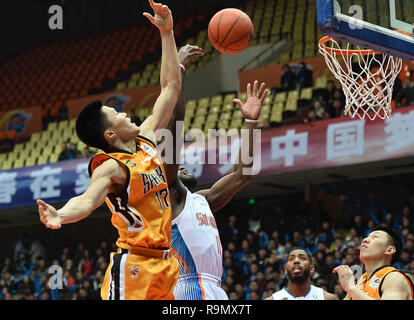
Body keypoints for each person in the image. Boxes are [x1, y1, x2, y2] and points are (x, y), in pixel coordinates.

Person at [36, 0, 182, 300]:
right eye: (116, 112)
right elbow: (87, 201)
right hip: (135, 266)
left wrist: (167, 34)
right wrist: (60, 215)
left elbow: (169, 88)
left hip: (166, 264)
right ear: (110, 133)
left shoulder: (146, 138)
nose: (124, 112)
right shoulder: (110, 167)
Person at [163, 61, 268, 300]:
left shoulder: (202, 199)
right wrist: (177, 72)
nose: (181, 167)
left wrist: (251, 123)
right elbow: (172, 135)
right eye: (176, 168)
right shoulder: (171, 197)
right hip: (188, 285)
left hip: (214, 288)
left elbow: (245, 173)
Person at [334, 226, 414, 300]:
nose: (365, 240)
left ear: (389, 250)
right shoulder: (361, 281)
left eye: (375, 237)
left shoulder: (395, 278)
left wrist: (351, 288)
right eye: (367, 237)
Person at [265, 248, 338, 300]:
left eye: (302, 258)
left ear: (311, 269)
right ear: (286, 269)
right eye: (291, 259)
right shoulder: (274, 299)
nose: (296, 261)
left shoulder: (327, 298)